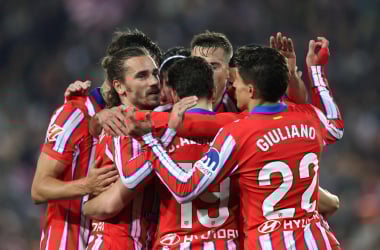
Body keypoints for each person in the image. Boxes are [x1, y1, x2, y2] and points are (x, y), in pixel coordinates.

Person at [123, 40, 344, 249]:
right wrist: (316, 69)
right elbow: (335, 126)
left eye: (236, 81)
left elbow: (185, 188)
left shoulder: (237, 132)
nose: (232, 85)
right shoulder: (309, 117)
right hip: (319, 239)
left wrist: (150, 140)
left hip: (269, 242)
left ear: (251, 90)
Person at [84, 56, 242, 249]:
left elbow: (117, 193)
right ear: (213, 91)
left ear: (174, 94)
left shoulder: (141, 125)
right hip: (226, 242)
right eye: (142, 76)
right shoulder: (240, 127)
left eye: (154, 75)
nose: (153, 82)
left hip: (169, 242)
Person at [31, 28, 163, 250]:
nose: (151, 81)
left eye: (152, 71)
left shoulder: (139, 119)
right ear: (116, 77)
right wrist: (87, 185)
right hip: (69, 241)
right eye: (140, 72)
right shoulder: (75, 113)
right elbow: (38, 189)